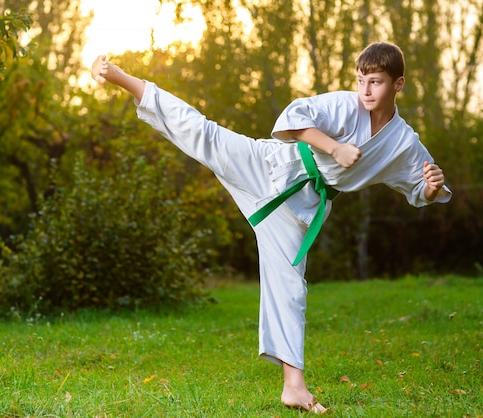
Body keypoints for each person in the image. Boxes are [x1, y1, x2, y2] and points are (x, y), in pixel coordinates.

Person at [91, 41, 451, 414]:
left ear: (399, 84)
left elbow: (419, 188)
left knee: (291, 287)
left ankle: (293, 388)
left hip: (303, 208)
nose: (365, 90)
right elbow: (291, 118)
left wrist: (430, 185)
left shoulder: (404, 143)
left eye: (375, 82)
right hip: (273, 167)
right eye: (361, 80)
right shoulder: (345, 105)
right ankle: (121, 77)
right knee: (204, 135)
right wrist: (334, 147)